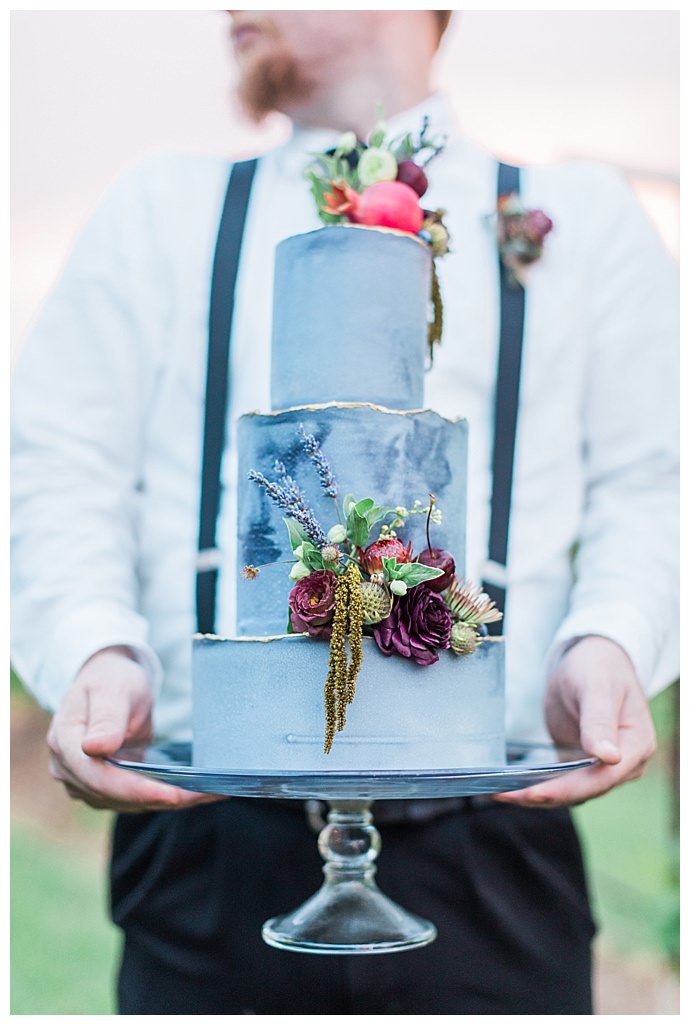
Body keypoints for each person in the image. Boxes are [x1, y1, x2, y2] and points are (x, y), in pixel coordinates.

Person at [11, 10, 678, 1015]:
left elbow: (654, 479)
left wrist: (610, 638)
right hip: (202, 843)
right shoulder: (156, 209)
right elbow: (60, 464)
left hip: (496, 845)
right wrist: (93, 648)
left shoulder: (583, 218)